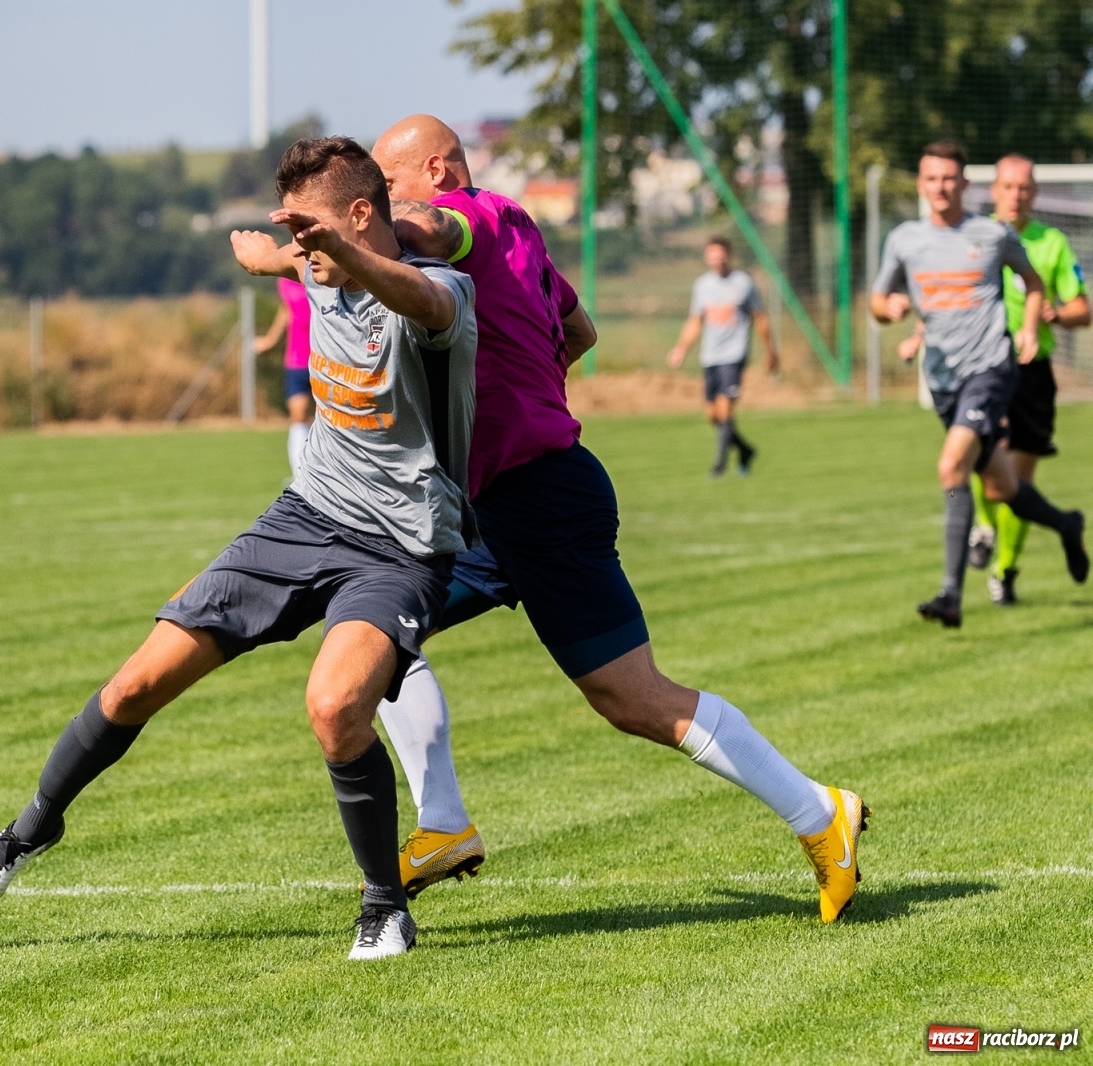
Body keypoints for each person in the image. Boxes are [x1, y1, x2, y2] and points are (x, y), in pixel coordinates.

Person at [0, 136, 479, 961]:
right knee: (136, 683)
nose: (303, 250)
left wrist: (330, 255)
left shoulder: (439, 293)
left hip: (400, 550)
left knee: (335, 707)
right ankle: (30, 828)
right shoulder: (316, 264)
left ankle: (385, 907)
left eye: (312, 232)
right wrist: (269, 257)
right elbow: (296, 260)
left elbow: (419, 296)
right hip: (303, 518)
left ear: (359, 217)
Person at [364, 113, 869, 923]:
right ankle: (444, 825)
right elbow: (579, 330)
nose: (381, 204)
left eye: (387, 185)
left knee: (634, 698)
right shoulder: (519, 234)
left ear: (437, 171)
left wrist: (340, 234)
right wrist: (517, 390)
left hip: (541, 498)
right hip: (494, 503)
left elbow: (425, 229)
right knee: (371, 629)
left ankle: (819, 812)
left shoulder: (467, 217)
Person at [871, 140, 1088, 629]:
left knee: (953, 465)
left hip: (993, 370)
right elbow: (878, 301)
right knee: (1003, 485)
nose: (941, 187)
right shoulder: (905, 239)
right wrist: (891, 309)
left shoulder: (992, 235)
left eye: (949, 178)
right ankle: (1065, 523)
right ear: (921, 184)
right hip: (943, 380)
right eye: (932, 178)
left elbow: (1034, 283)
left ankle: (953, 592)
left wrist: (1029, 327)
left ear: (965, 184)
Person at [965, 154, 1091, 605]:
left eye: (1024, 188)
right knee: (975, 451)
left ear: (1035, 193)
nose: (1016, 196)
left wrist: (1056, 315)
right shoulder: (973, 236)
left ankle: (1004, 571)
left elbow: (1082, 309)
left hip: (1032, 371)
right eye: (1008, 187)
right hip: (984, 365)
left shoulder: (1052, 243)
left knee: (1018, 478)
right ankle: (983, 526)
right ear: (993, 190)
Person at [667, 237, 781, 477]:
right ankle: (745, 450)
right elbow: (695, 321)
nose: (717, 258)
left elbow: (760, 318)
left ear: (729, 255)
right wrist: (680, 349)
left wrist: (771, 352)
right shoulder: (702, 285)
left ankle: (719, 465)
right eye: (712, 254)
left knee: (725, 410)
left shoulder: (744, 283)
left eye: (721, 254)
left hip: (734, 355)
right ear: (706, 257)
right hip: (711, 357)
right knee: (712, 414)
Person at [254, 276, 317, 476]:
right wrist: (270, 340)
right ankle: (300, 476)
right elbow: (286, 310)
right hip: (297, 359)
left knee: (329, 417)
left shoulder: (321, 274)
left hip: (325, 358)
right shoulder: (284, 282)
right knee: (299, 414)